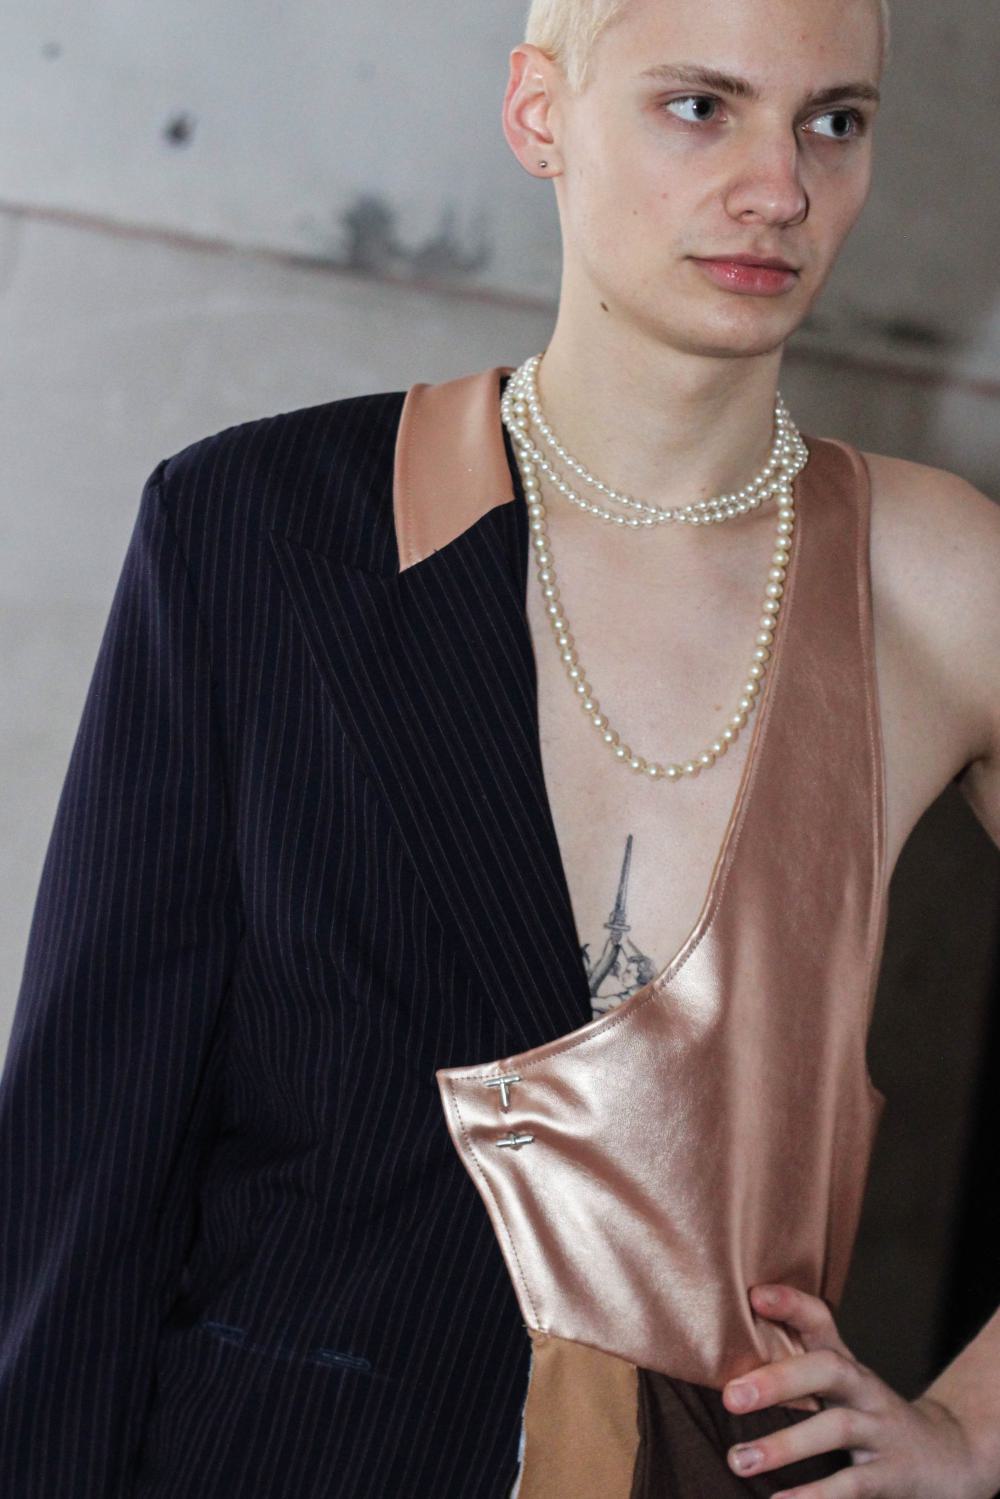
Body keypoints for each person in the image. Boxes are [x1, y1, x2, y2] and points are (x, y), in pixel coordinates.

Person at [1, 0, 998, 1495]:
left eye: (832, 123)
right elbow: (89, 1154)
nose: (780, 188)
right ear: (541, 114)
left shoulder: (939, 581)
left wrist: (973, 1431)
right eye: (700, 107)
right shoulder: (261, 526)